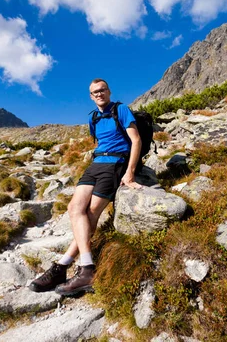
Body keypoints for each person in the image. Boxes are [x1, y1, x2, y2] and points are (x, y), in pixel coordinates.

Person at [29, 78, 142, 296]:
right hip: (95, 165)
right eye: (94, 92)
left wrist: (129, 173)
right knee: (74, 209)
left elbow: (135, 141)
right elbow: (97, 142)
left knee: (91, 214)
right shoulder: (93, 118)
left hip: (115, 164)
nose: (99, 94)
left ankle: (70, 267)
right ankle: (69, 269)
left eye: (102, 90)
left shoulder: (122, 110)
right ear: (91, 96)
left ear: (108, 91)